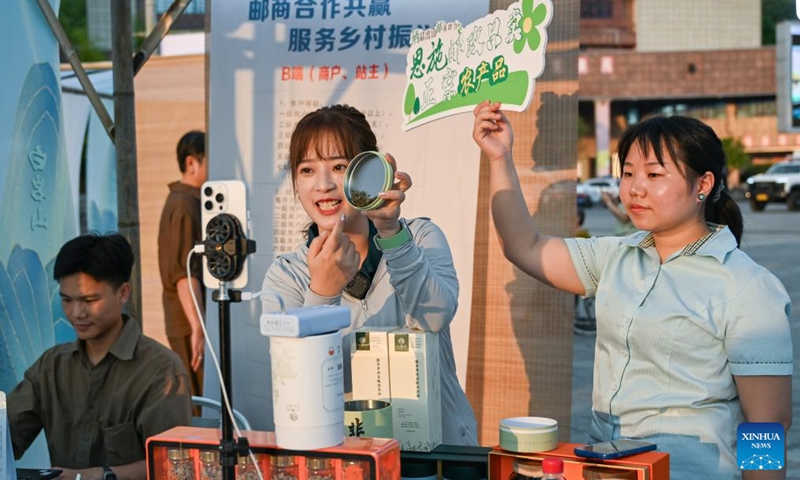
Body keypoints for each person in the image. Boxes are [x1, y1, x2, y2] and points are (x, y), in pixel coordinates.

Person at [473, 102, 792, 479]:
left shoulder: (748, 288)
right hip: (607, 471)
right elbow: (523, 246)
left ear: (703, 184)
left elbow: (767, 427)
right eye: (627, 173)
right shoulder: (615, 257)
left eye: (655, 174)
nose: (635, 188)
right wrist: (499, 157)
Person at [261, 104, 478, 446]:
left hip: (438, 457)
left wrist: (391, 232)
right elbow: (295, 386)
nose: (323, 185)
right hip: (346, 461)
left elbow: (434, 315)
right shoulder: (285, 276)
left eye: (339, 166)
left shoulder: (419, 237)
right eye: (306, 169)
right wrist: (321, 294)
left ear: (367, 173)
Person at [8, 233, 192, 480]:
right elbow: (7, 436)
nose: (76, 313)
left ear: (123, 293)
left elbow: (174, 466)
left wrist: (95, 476)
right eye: (66, 300)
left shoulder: (161, 371)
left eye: (90, 300)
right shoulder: (51, 367)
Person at [158, 130, 208, 400]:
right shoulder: (183, 204)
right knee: (198, 399)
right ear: (192, 163)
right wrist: (197, 327)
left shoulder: (191, 201)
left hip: (191, 316)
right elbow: (183, 273)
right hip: (188, 320)